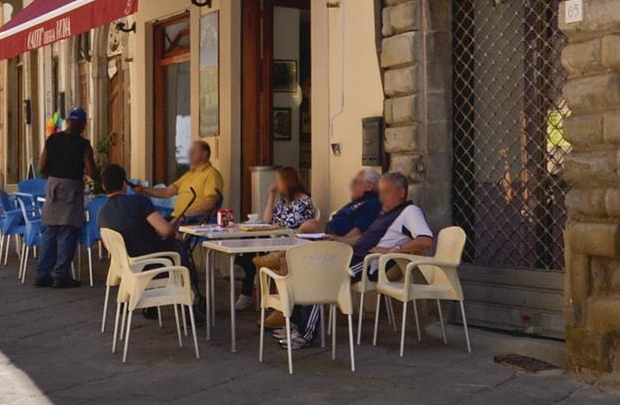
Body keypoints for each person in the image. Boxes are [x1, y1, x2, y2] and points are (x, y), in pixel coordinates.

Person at [279, 169, 434, 348]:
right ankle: (295, 326)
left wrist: (394, 249)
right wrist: (338, 240)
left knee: (322, 276)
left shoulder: (410, 212)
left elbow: (425, 240)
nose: (382, 197)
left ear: (401, 193)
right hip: (353, 254)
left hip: (368, 262)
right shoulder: (386, 213)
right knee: (304, 269)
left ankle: (306, 335)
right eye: (381, 192)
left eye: (387, 192)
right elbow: (362, 239)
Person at [34, 108, 101, 289]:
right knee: (68, 231)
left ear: (68, 122)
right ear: (81, 124)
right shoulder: (83, 144)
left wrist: (54, 178)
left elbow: (41, 167)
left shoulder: (52, 140)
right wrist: (97, 177)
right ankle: (60, 275)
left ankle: (42, 274)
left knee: (50, 230)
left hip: (53, 187)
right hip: (71, 188)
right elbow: (92, 171)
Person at [232, 166, 316, 306]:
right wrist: (271, 196)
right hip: (275, 238)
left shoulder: (304, 201)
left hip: (290, 241)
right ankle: (242, 270)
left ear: (288, 182)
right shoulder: (284, 200)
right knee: (249, 239)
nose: (276, 184)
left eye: (279, 180)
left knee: (251, 253)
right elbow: (267, 220)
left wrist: (278, 226)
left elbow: (296, 224)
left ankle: (245, 286)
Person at [97, 163, 180, 260]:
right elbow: (166, 230)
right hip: (152, 260)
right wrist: (176, 235)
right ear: (124, 184)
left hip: (124, 264)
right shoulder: (139, 201)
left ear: (104, 186)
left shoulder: (101, 213)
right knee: (179, 244)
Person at [143, 139, 223, 221]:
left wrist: (183, 217)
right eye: (189, 151)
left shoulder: (211, 174)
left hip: (192, 221)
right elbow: (166, 192)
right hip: (177, 218)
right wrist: (143, 189)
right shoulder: (189, 175)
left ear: (204, 154)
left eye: (193, 151)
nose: (189, 154)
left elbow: (210, 205)